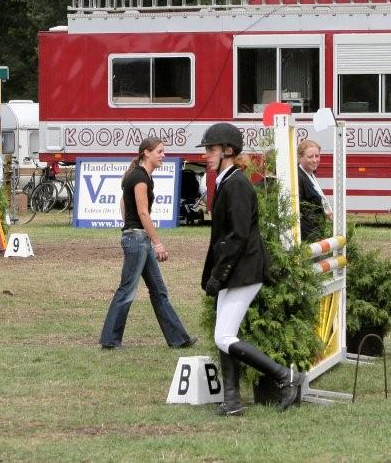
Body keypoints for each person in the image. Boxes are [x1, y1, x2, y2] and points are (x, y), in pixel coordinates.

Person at [199, 122, 300, 416]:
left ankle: (286, 376)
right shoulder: (225, 181)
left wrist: (219, 275)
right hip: (235, 269)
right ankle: (232, 400)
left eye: (211, 149)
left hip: (244, 269)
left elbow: (239, 235)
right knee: (223, 332)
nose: (206, 155)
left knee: (224, 337)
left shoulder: (237, 184)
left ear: (227, 151)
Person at [99, 137, 197, 350]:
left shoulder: (137, 176)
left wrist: (129, 227)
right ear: (146, 153)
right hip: (138, 239)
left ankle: (179, 339)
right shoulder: (140, 178)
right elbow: (143, 212)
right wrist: (157, 242)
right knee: (127, 290)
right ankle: (109, 340)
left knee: (158, 290)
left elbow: (124, 204)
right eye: (160, 151)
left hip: (136, 238)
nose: (163, 155)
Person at [296, 139, 332, 243]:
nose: (315, 160)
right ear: (300, 157)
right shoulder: (299, 177)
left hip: (315, 231)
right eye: (310, 157)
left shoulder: (310, 174)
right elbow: (300, 209)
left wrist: (325, 212)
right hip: (307, 234)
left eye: (317, 156)